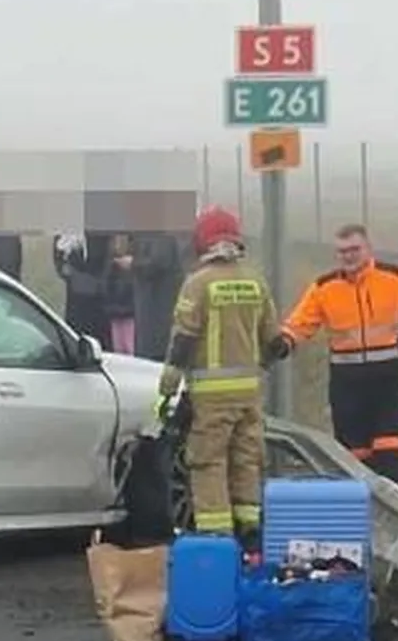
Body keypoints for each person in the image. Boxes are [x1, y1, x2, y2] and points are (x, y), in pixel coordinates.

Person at [155, 204, 280, 546]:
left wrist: (167, 389)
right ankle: (250, 531)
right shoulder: (256, 281)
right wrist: (257, 369)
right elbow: (275, 341)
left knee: (208, 462)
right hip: (250, 394)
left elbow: (183, 340)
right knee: (246, 460)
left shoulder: (198, 284)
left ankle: (216, 536)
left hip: (211, 396)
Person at [273, 224, 398, 487]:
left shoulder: (394, 277)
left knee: (390, 452)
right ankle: (362, 519)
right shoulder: (324, 288)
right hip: (348, 385)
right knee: (354, 458)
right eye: (342, 251)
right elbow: (301, 323)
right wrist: (284, 343)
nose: (349, 256)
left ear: (368, 249)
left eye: (354, 249)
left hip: (389, 381)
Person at [130, 230, 184, 363]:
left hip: (157, 312)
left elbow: (158, 262)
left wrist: (132, 263)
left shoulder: (161, 235)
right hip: (152, 312)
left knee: (154, 359)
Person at [53, 233, 109, 345]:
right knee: (76, 331)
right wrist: (63, 268)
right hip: (76, 288)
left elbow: (108, 252)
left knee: (97, 334)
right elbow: (58, 253)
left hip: (97, 289)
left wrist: (102, 279)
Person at [104, 235, 137, 354]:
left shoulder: (133, 262)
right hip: (115, 309)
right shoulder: (111, 263)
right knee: (119, 346)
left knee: (129, 344)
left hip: (128, 310)